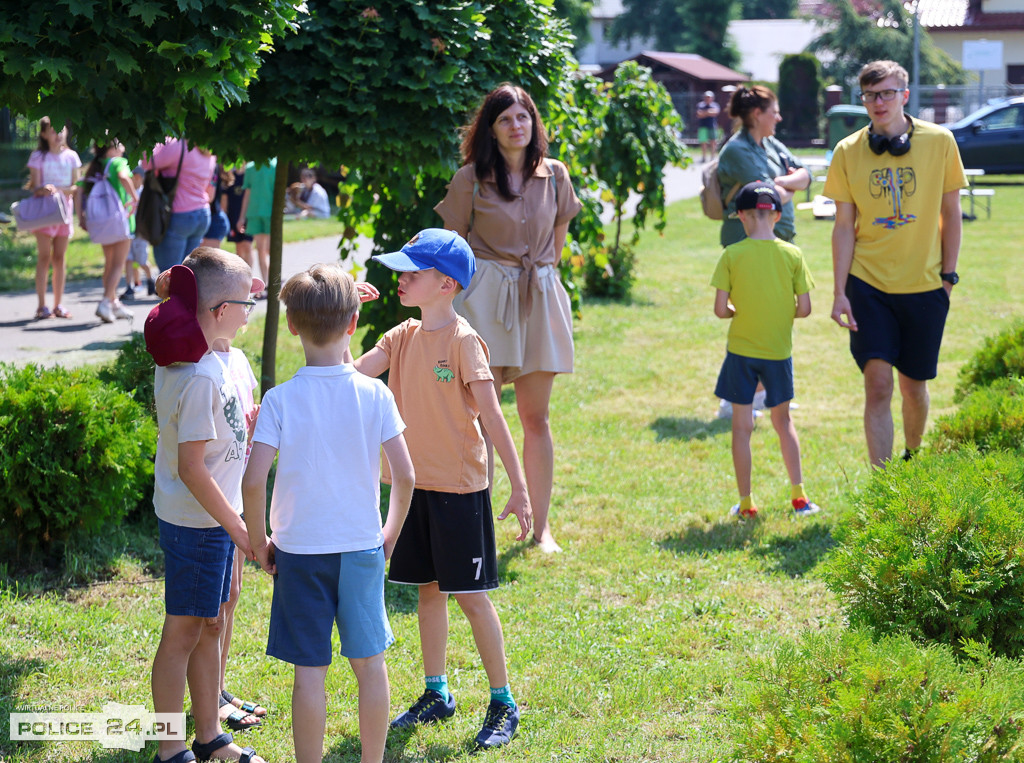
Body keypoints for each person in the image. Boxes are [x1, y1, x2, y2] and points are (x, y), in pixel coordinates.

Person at [348, 228, 532, 751]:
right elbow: (351, 376)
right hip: (412, 490)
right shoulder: (401, 335)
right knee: (429, 591)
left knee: (470, 597)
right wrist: (345, 315)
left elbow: (494, 419)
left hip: (459, 488)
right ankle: (437, 692)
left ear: (447, 284)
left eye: (413, 271)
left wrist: (517, 488)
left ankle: (503, 701)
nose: (401, 278)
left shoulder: (463, 341)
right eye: (401, 270)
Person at [242, 263, 415, 763]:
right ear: (354, 325)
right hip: (362, 547)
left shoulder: (278, 400)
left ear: (291, 326)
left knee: (309, 674)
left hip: (298, 553)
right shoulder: (376, 393)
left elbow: (254, 481)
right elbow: (404, 476)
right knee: (370, 667)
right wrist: (389, 534)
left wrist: (259, 542)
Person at [434, 83, 581, 554]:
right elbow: (451, 248)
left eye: (523, 117)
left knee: (536, 418)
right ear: (491, 130)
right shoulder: (469, 179)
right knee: (482, 417)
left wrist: (536, 273)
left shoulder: (556, 175)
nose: (517, 126)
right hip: (485, 301)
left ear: (534, 123)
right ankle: (478, 529)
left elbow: (557, 241)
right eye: (505, 119)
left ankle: (542, 529)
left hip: (539, 295)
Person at [144, 247, 268, 763]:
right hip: (198, 524)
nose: (249, 312)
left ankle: (210, 735)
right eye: (247, 304)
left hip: (216, 519)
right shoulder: (196, 375)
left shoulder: (224, 360)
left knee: (210, 623)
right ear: (220, 311)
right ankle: (172, 746)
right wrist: (243, 532)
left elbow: (229, 428)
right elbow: (193, 468)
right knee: (183, 631)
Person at [824, 60, 966, 468]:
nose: (878, 102)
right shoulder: (848, 151)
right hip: (867, 285)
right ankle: (884, 487)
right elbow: (844, 226)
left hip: (924, 285)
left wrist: (948, 276)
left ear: (905, 95)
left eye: (886, 93)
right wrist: (838, 293)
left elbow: (951, 213)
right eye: (870, 95)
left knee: (913, 385)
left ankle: (913, 456)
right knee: (878, 384)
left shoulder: (940, 142)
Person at [711, 182, 819, 519]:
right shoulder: (792, 255)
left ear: (741, 217)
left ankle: (746, 505)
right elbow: (804, 308)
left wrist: (736, 311)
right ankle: (800, 499)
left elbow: (719, 309)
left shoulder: (731, 255)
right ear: (776, 215)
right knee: (783, 421)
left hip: (741, 353)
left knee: (741, 427)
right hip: (778, 352)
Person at [715, 85, 811, 420]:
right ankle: (733, 401)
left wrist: (782, 185)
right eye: (775, 111)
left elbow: (805, 175)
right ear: (758, 114)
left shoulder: (770, 143)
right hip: (748, 248)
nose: (779, 118)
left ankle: (765, 394)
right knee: (752, 323)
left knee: (773, 320)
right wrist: (783, 186)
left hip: (778, 246)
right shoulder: (737, 150)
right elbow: (764, 198)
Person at [26, 117, 81, 320]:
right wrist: (44, 189)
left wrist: (60, 190)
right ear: (43, 134)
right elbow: (35, 186)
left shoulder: (72, 156)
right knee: (44, 257)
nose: (57, 134)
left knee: (60, 258)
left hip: (64, 213)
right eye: (52, 130)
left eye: (61, 130)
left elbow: (75, 187)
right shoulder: (38, 157)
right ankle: (42, 306)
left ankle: (58, 305)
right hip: (44, 213)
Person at [78, 139, 138, 323]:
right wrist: (135, 198)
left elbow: (79, 189)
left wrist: (80, 216)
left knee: (110, 264)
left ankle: (113, 302)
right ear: (110, 149)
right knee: (118, 265)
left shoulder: (97, 166)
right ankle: (105, 302)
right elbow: (123, 176)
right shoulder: (118, 162)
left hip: (103, 222)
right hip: (121, 221)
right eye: (120, 144)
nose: (123, 147)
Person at [144, 137, 216, 273]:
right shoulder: (208, 151)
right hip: (202, 213)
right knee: (189, 272)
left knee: (170, 274)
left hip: (180, 215)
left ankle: (171, 295)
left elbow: (147, 162)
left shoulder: (179, 146)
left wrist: (159, 140)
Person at [237, 158, 275, 296]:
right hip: (254, 213)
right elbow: (247, 193)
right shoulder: (250, 168)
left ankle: (273, 284)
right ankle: (264, 286)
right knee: (261, 250)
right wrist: (242, 217)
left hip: (271, 214)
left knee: (271, 251)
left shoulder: (276, 165)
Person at [122, 163, 156, 301]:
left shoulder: (143, 193)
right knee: (128, 259)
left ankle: (150, 279)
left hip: (140, 233)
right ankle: (129, 287)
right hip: (128, 231)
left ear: (138, 178)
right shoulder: (127, 193)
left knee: (142, 260)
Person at [221, 166, 256, 273]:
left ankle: (250, 276)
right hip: (233, 217)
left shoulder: (249, 176)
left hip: (248, 217)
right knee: (239, 248)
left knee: (247, 246)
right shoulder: (230, 177)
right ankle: (242, 275)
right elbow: (224, 200)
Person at [202, 164, 232, 249]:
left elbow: (211, 197)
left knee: (208, 260)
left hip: (215, 220)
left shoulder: (213, 168)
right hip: (213, 218)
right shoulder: (213, 167)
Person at [696, 91, 721, 163]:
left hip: (712, 126)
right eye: (706, 97)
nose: (707, 99)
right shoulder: (700, 105)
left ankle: (712, 157)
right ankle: (704, 157)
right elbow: (699, 114)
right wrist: (709, 112)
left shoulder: (715, 105)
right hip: (702, 126)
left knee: (713, 142)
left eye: (709, 97)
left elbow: (715, 112)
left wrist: (704, 113)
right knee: (703, 142)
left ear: (712, 98)